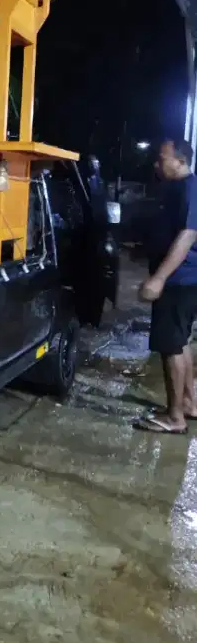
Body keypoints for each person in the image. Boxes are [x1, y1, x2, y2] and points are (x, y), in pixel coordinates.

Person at [137, 139, 197, 434]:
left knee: (170, 346)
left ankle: (175, 418)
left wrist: (158, 278)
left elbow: (187, 235)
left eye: (163, 158)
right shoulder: (177, 188)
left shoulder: (189, 187)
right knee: (181, 341)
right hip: (182, 281)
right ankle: (188, 403)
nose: (157, 163)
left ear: (181, 160)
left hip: (178, 281)